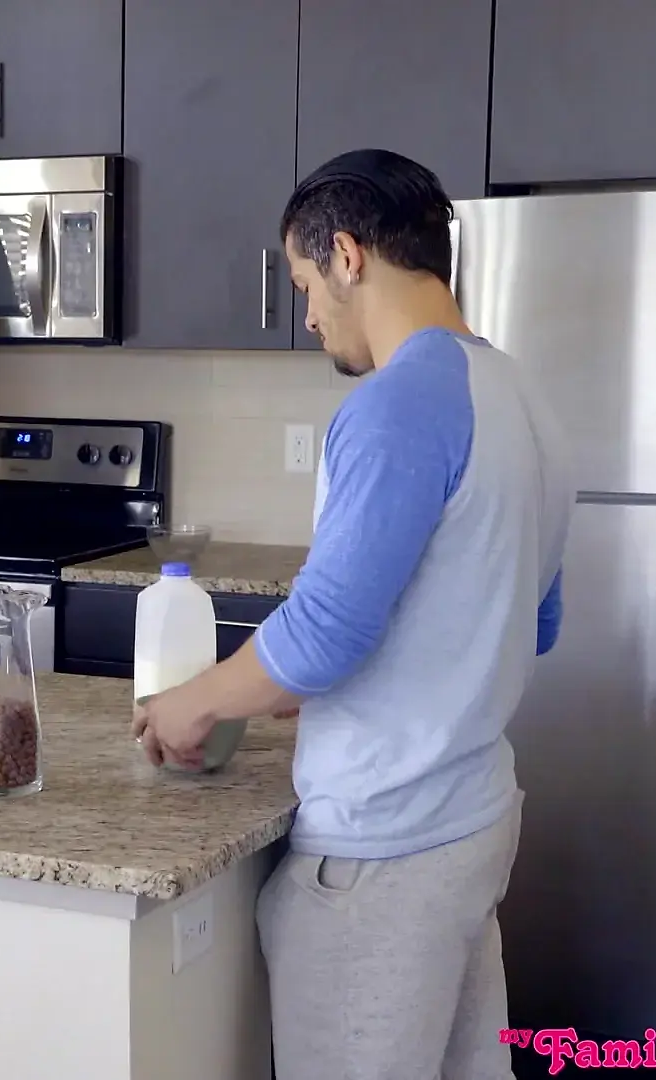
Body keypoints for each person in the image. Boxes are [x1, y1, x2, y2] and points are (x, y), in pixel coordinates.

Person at [130, 149, 573, 1078]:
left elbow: (326, 629)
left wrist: (192, 704)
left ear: (346, 255)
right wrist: (305, 686)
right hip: (472, 818)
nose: (308, 315)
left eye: (304, 283)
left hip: (385, 845)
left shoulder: (399, 403)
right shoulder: (524, 396)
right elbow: (526, 619)